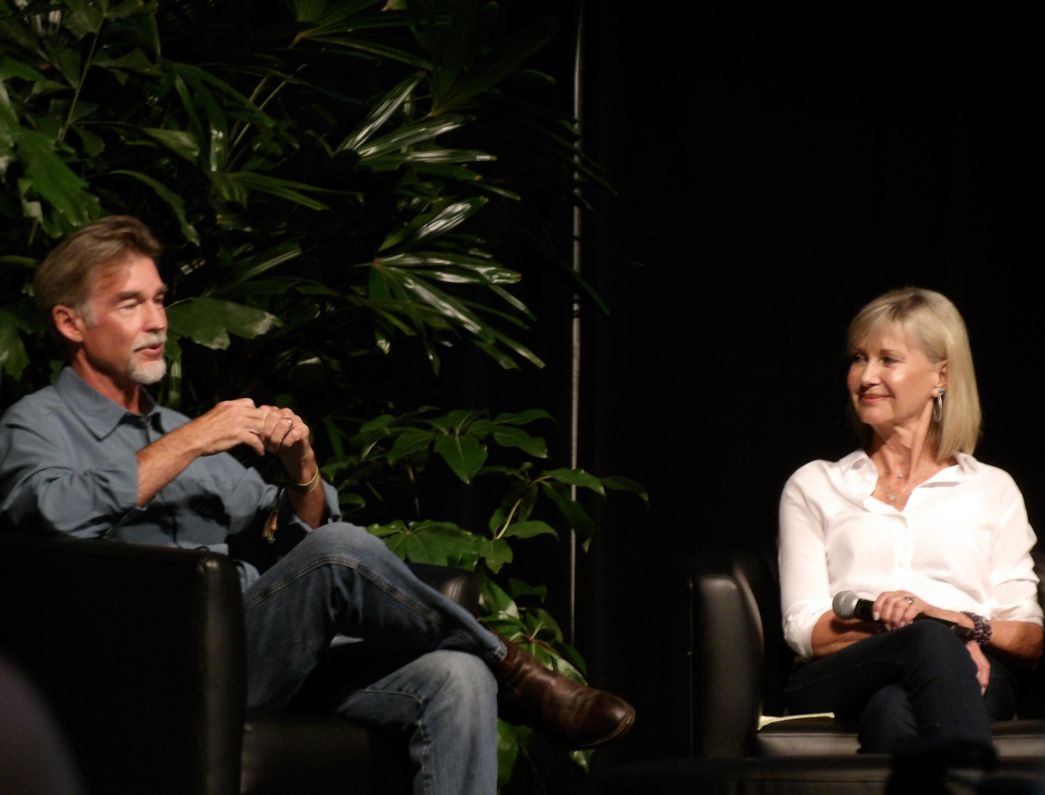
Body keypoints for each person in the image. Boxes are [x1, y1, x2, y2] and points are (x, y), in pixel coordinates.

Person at [0, 216, 635, 795]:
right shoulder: (38, 423)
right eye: (130, 303)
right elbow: (48, 511)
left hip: (256, 654)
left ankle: (491, 669)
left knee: (454, 678)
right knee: (341, 552)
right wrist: (190, 440)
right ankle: (513, 668)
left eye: (160, 299)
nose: (157, 321)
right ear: (70, 323)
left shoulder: (177, 426)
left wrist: (301, 472)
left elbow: (289, 538)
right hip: (156, 670)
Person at [778, 286, 1043, 759]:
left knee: (892, 710)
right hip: (844, 673)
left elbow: (1027, 636)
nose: (866, 376)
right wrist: (927, 634)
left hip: (972, 668)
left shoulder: (991, 488)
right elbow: (804, 627)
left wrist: (957, 624)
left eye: (888, 360)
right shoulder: (815, 484)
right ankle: (975, 778)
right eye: (859, 359)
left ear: (941, 375)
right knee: (926, 640)